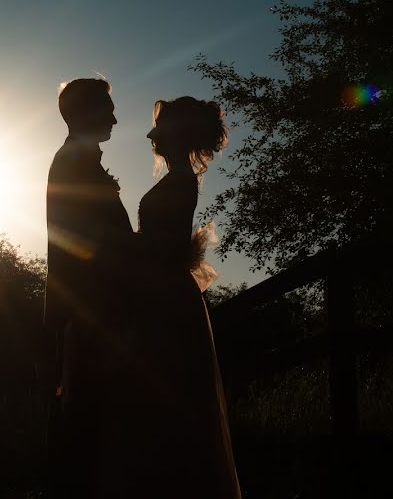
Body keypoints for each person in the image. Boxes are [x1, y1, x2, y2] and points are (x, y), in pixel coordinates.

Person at [105, 96, 241, 498]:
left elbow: (161, 250)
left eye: (159, 128)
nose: (150, 134)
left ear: (178, 134)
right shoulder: (180, 179)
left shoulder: (180, 182)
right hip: (162, 293)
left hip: (163, 299)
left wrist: (115, 237)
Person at [43, 77, 134, 496]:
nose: (114, 116)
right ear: (81, 113)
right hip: (95, 317)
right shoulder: (72, 164)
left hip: (96, 315)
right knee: (89, 433)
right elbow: (74, 247)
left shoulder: (81, 162)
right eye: (106, 107)